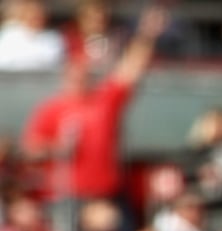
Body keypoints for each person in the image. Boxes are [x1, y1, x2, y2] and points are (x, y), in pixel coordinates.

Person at [20, 7, 164, 207]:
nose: (79, 77)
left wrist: (146, 35)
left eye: (84, 73)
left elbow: (130, 69)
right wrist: (58, 147)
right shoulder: (51, 108)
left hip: (106, 194)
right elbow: (30, 149)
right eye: (74, 73)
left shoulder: (104, 100)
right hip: (66, 197)